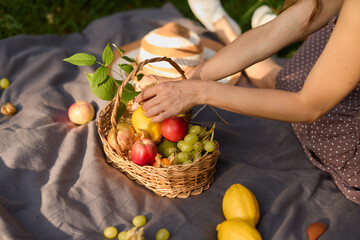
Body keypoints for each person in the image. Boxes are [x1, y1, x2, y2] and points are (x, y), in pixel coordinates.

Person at [134, 0, 360, 205]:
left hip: (348, 140)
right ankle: (230, 32)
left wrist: (197, 92)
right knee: (292, 71)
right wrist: (187, 79)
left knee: (285, 81)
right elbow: (273, 33)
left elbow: (309, 106)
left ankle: (226, 30)